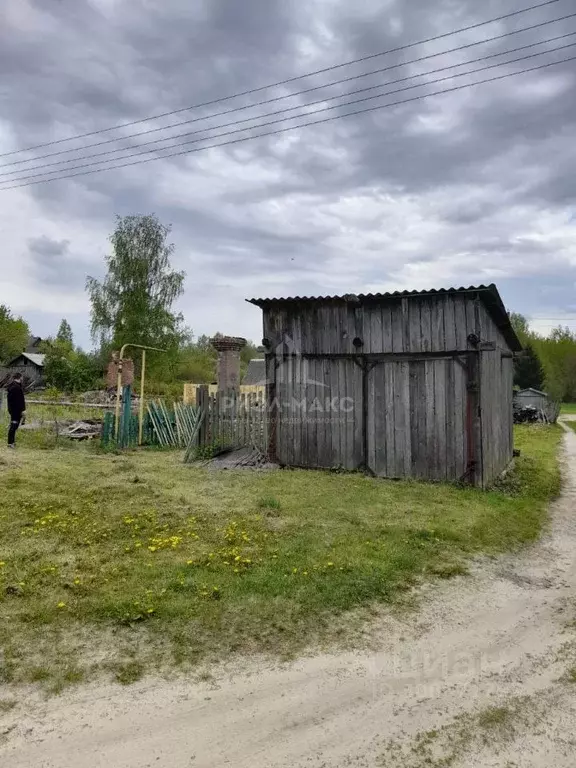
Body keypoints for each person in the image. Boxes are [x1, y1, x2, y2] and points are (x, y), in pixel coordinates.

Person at [6, 373, 26, 448]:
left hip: (15, 409)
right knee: (13, 426)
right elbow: (17, 401)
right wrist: (22, 410)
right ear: (19, 377)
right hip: (15, 410)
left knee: (15, 426)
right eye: (22, 378)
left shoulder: (15, 386)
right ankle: (10, 443)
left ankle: (12, 442)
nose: (22, 379)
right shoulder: (15, 387)